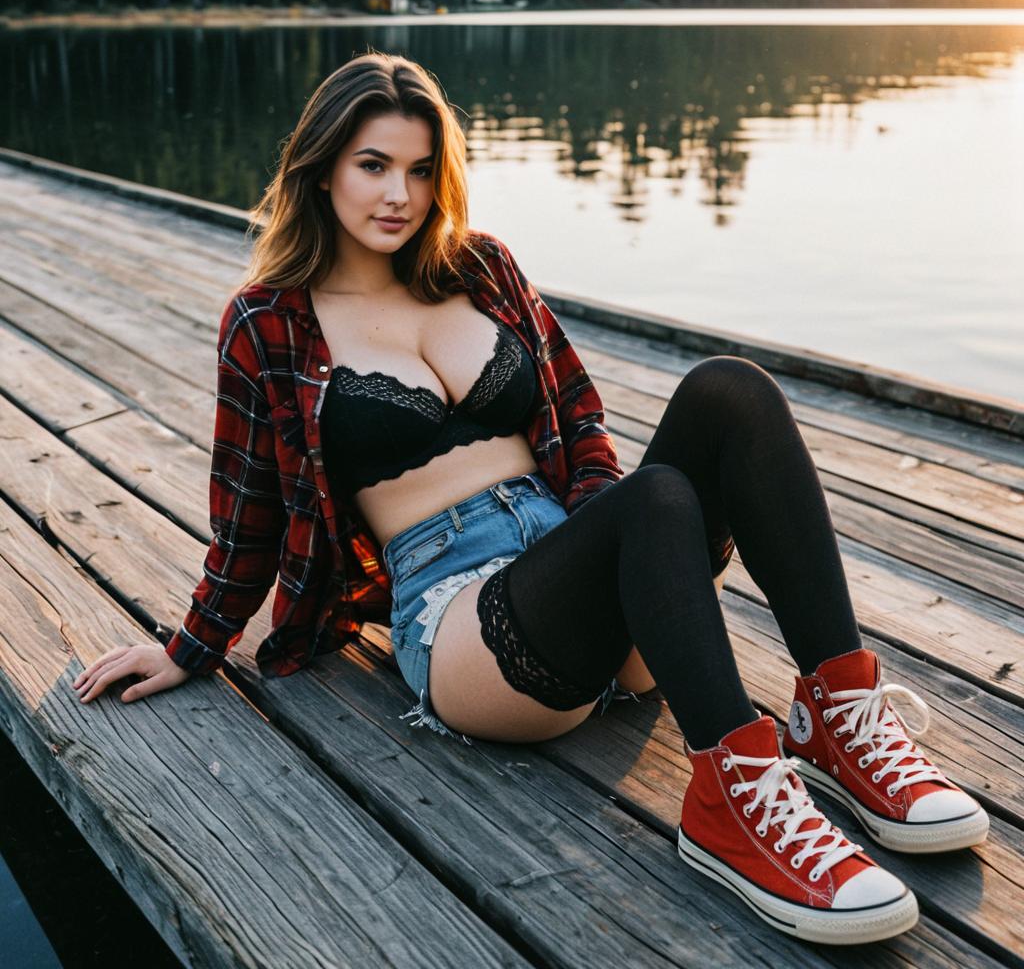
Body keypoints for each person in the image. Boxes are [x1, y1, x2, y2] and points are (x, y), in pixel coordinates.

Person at [71, 50, 989, 945]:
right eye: (373, 166)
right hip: (468, 624)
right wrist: (191, 646)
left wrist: (600, 526)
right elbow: (249, 514)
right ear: (319, 171)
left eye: (422, 171)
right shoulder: (268, 321)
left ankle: (836, 716)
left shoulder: (480, 268)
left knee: (730, 390)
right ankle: (730, 805)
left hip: (588, 562)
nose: (400, 194)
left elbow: (583, 427)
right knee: (654, 498)